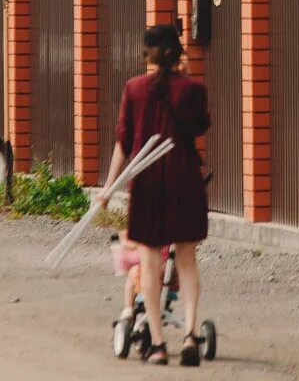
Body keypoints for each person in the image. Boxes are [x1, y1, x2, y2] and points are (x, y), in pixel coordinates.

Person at [102, 22, 209, 366]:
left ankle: (159, 345)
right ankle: (191, 334)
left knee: (150, 262)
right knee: (187, 260)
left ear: (148, 54)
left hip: (147, 184)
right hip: (185, 181)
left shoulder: (134, 89)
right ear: (176, 52)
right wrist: (187, 78)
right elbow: (199, 127)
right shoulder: (192, 89)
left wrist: (108, 186)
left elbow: (123, 140)